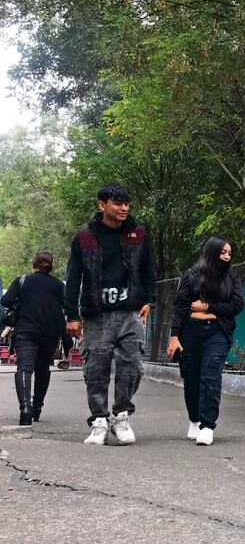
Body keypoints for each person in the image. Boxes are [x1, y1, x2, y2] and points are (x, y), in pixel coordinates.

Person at [65, 183, 156, 445]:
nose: (123, 208)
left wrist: (150, 300)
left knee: (133, 366)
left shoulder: (138, 234)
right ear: (102, 205)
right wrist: (72, 314)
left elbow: (149, 270)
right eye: (117, 203)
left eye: (126, 203)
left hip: (131, 313)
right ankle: (99, 420)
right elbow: (73, 278)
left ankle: (121, 415)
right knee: (96, 369)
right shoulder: (84, 237)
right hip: (97, 315)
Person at [167, 236, 243, 446]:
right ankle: (195, 419)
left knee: (210, 376)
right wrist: (174, 337)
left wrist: (207, 307)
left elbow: (236, 306)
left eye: (229, 253)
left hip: (217, 333)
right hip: (190, 333)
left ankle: (207, 425)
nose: (227, 257)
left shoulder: (232, 280)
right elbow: (181, 306)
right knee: (191, 378)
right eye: (223, 252)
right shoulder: (192, 276)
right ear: (212, 252)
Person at [1, 252, 69, 425]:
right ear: (50, 265)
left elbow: (6, 301)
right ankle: (37, 408)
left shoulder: (21, 281)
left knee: (24, 369)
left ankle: (25, 410)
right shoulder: (57, 285)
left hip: (25, 332)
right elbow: (67, 307)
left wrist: (21, 300)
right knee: (43, 369)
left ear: (34, 264)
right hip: (49, 333)